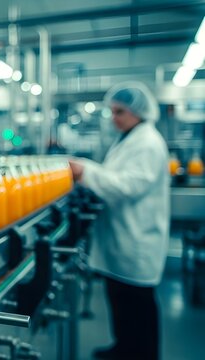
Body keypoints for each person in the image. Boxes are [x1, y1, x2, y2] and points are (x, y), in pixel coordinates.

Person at [69, 82, 169, 360]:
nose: (114, 118)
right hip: (122, 236)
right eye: (112, 112)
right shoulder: (130, 137)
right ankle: (123, 348)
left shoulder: (147, 142)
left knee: (137, 306)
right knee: (122, 303)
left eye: (120, 112)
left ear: (138, 111)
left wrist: (84, 171)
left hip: (137, 238)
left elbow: (128, 186)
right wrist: (85, 167)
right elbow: (114, 174)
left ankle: (142, 354)